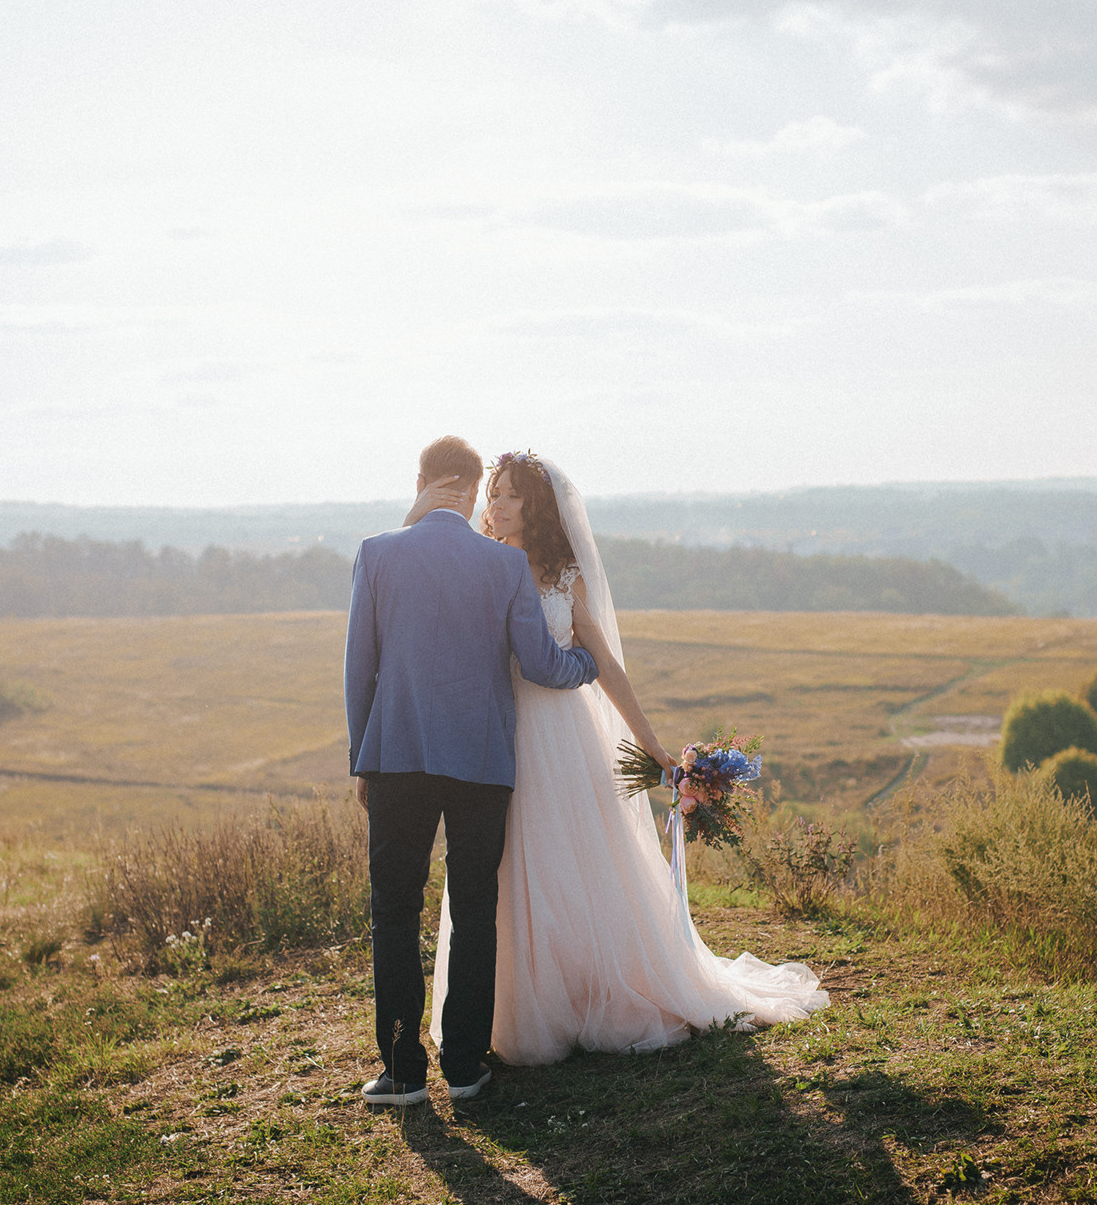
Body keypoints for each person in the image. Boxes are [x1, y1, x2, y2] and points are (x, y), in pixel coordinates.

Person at [418, 451, 828, 1068]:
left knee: (573, 863)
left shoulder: (564, 578)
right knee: (502, 874)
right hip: (497, 736)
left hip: (563, 737)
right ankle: (512, 1008)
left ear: (538, 508)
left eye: (508, 496)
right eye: (492, 494)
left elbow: (606, 666)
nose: (493, 505)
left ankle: (591, 992)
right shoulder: (483, 565)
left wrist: (651, 744)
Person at [344, 436, 600, 1106]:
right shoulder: (502, 565)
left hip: (396, 756)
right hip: (483, 760)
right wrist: (587, 665)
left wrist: (361, 759)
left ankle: (402, 1071)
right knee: (477, 905)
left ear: (422, 481)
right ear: (471, 488)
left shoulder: (376, 553)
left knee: (394, 909)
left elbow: (358, 670)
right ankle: (462, 1066)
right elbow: (544, 664)